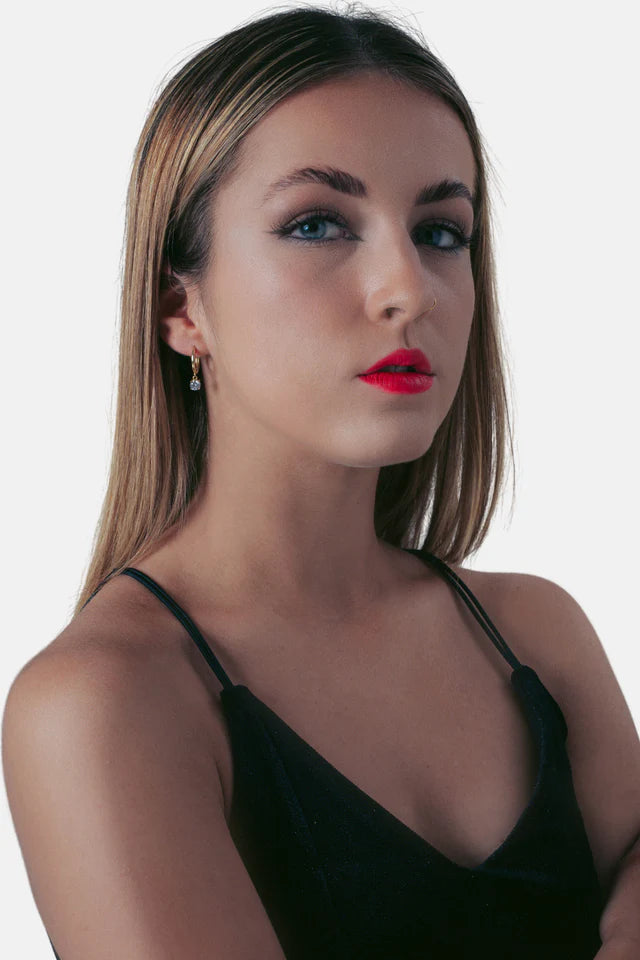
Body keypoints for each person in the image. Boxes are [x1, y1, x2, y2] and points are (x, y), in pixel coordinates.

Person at [2, 3, 640, 958]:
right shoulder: (105, 703)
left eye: (442, 232)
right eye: (316, 224)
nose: (408, 288)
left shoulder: (536, 634)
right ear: (182, 307)